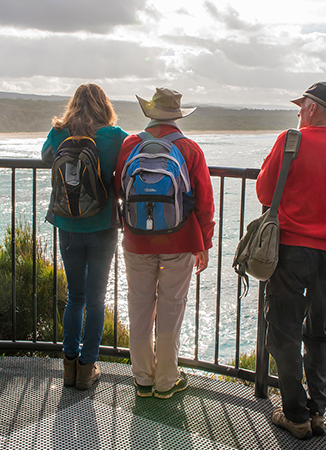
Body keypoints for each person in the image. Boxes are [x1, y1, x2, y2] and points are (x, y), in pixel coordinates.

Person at [256, 82, 326, 439]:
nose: (298, 111)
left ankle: (296, 414)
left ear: (311, 109)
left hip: (291, 250)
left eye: (302, 105)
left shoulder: (291, 140)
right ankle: (318, 411)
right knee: (319, 332)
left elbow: (263, 190)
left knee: (284, 332)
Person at [114, 87, 215, 399]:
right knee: (171, 309)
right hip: (180, 240)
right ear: (176, 116)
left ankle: (142, 378)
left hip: (136, 240)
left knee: (140, 308)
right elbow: (204, 202)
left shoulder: (131, 144)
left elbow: (120, 186)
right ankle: (166, 381)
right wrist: (204, 243)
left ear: (151, 113)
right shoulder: (189, 148)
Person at [41, 83, 128, 390]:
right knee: (96, 300)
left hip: (68, 226)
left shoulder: (59, 133)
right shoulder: (114, 137)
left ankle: (68, 367)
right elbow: (127, 166)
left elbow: (44, 157)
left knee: (74, 298)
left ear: (73, 105)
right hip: (102, 225)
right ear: (104, 106)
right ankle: (87, 368)